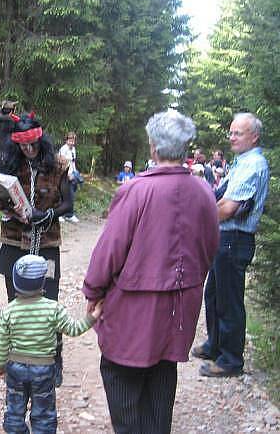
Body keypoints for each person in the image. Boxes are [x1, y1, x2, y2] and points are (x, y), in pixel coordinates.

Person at [82, 109, 219, 433]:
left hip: (134, 308)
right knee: (162, 372)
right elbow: (210, 246)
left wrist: (94, 290)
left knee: (122, 376)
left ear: (154, 148)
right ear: (184, 148)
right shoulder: (203, 192)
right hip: (179, 308)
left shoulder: (137, 190)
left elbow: (110, 250)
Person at [0, 112, 73, 387]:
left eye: (32, 145)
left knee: (49, 302)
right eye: (23, 146)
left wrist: (47, 215)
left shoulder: (59, 165)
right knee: (15, 302)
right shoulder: (9, 162)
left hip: (46, 244)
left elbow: (68, 205)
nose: (28, 150)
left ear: (41, 141)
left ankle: (54, 360)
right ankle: (18, 361)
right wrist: (11, 206)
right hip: (14, 242)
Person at [193, 112, 269, 378]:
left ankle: (231, 361)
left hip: (234, 240)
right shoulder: (242, 162)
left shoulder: (253, 165)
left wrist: (197, 220)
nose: (232, 136)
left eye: (238, 133)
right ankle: (215, 345)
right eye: (231, 132)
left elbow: (228, 207)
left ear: (254, 136)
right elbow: (219, 195)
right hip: (224, 239)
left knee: (229, 300)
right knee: (214, 294)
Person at [0, 254, 103, 434]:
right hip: (43, 369)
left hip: (15, 369)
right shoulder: (53, 308)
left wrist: (0, 365)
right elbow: (74, 329)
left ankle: (15, 430)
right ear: (42, 283)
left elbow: (2, 344)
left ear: (15, 282)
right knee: (43, 412)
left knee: (14, 408)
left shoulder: (9, 310)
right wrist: (93, 316)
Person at [58, 132, 83, 223]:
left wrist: (75, 172)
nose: (72, 142)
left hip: (73, 174)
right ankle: (60, 214)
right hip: (65, 175)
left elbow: (73, 162)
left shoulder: (73, 150)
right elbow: (62, 164)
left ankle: (68, 214)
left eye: (73, 140)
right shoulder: (63, 149)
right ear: (66, 140)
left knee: (71, 196)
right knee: (63, 195)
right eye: (70, 140)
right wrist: (67, 174)